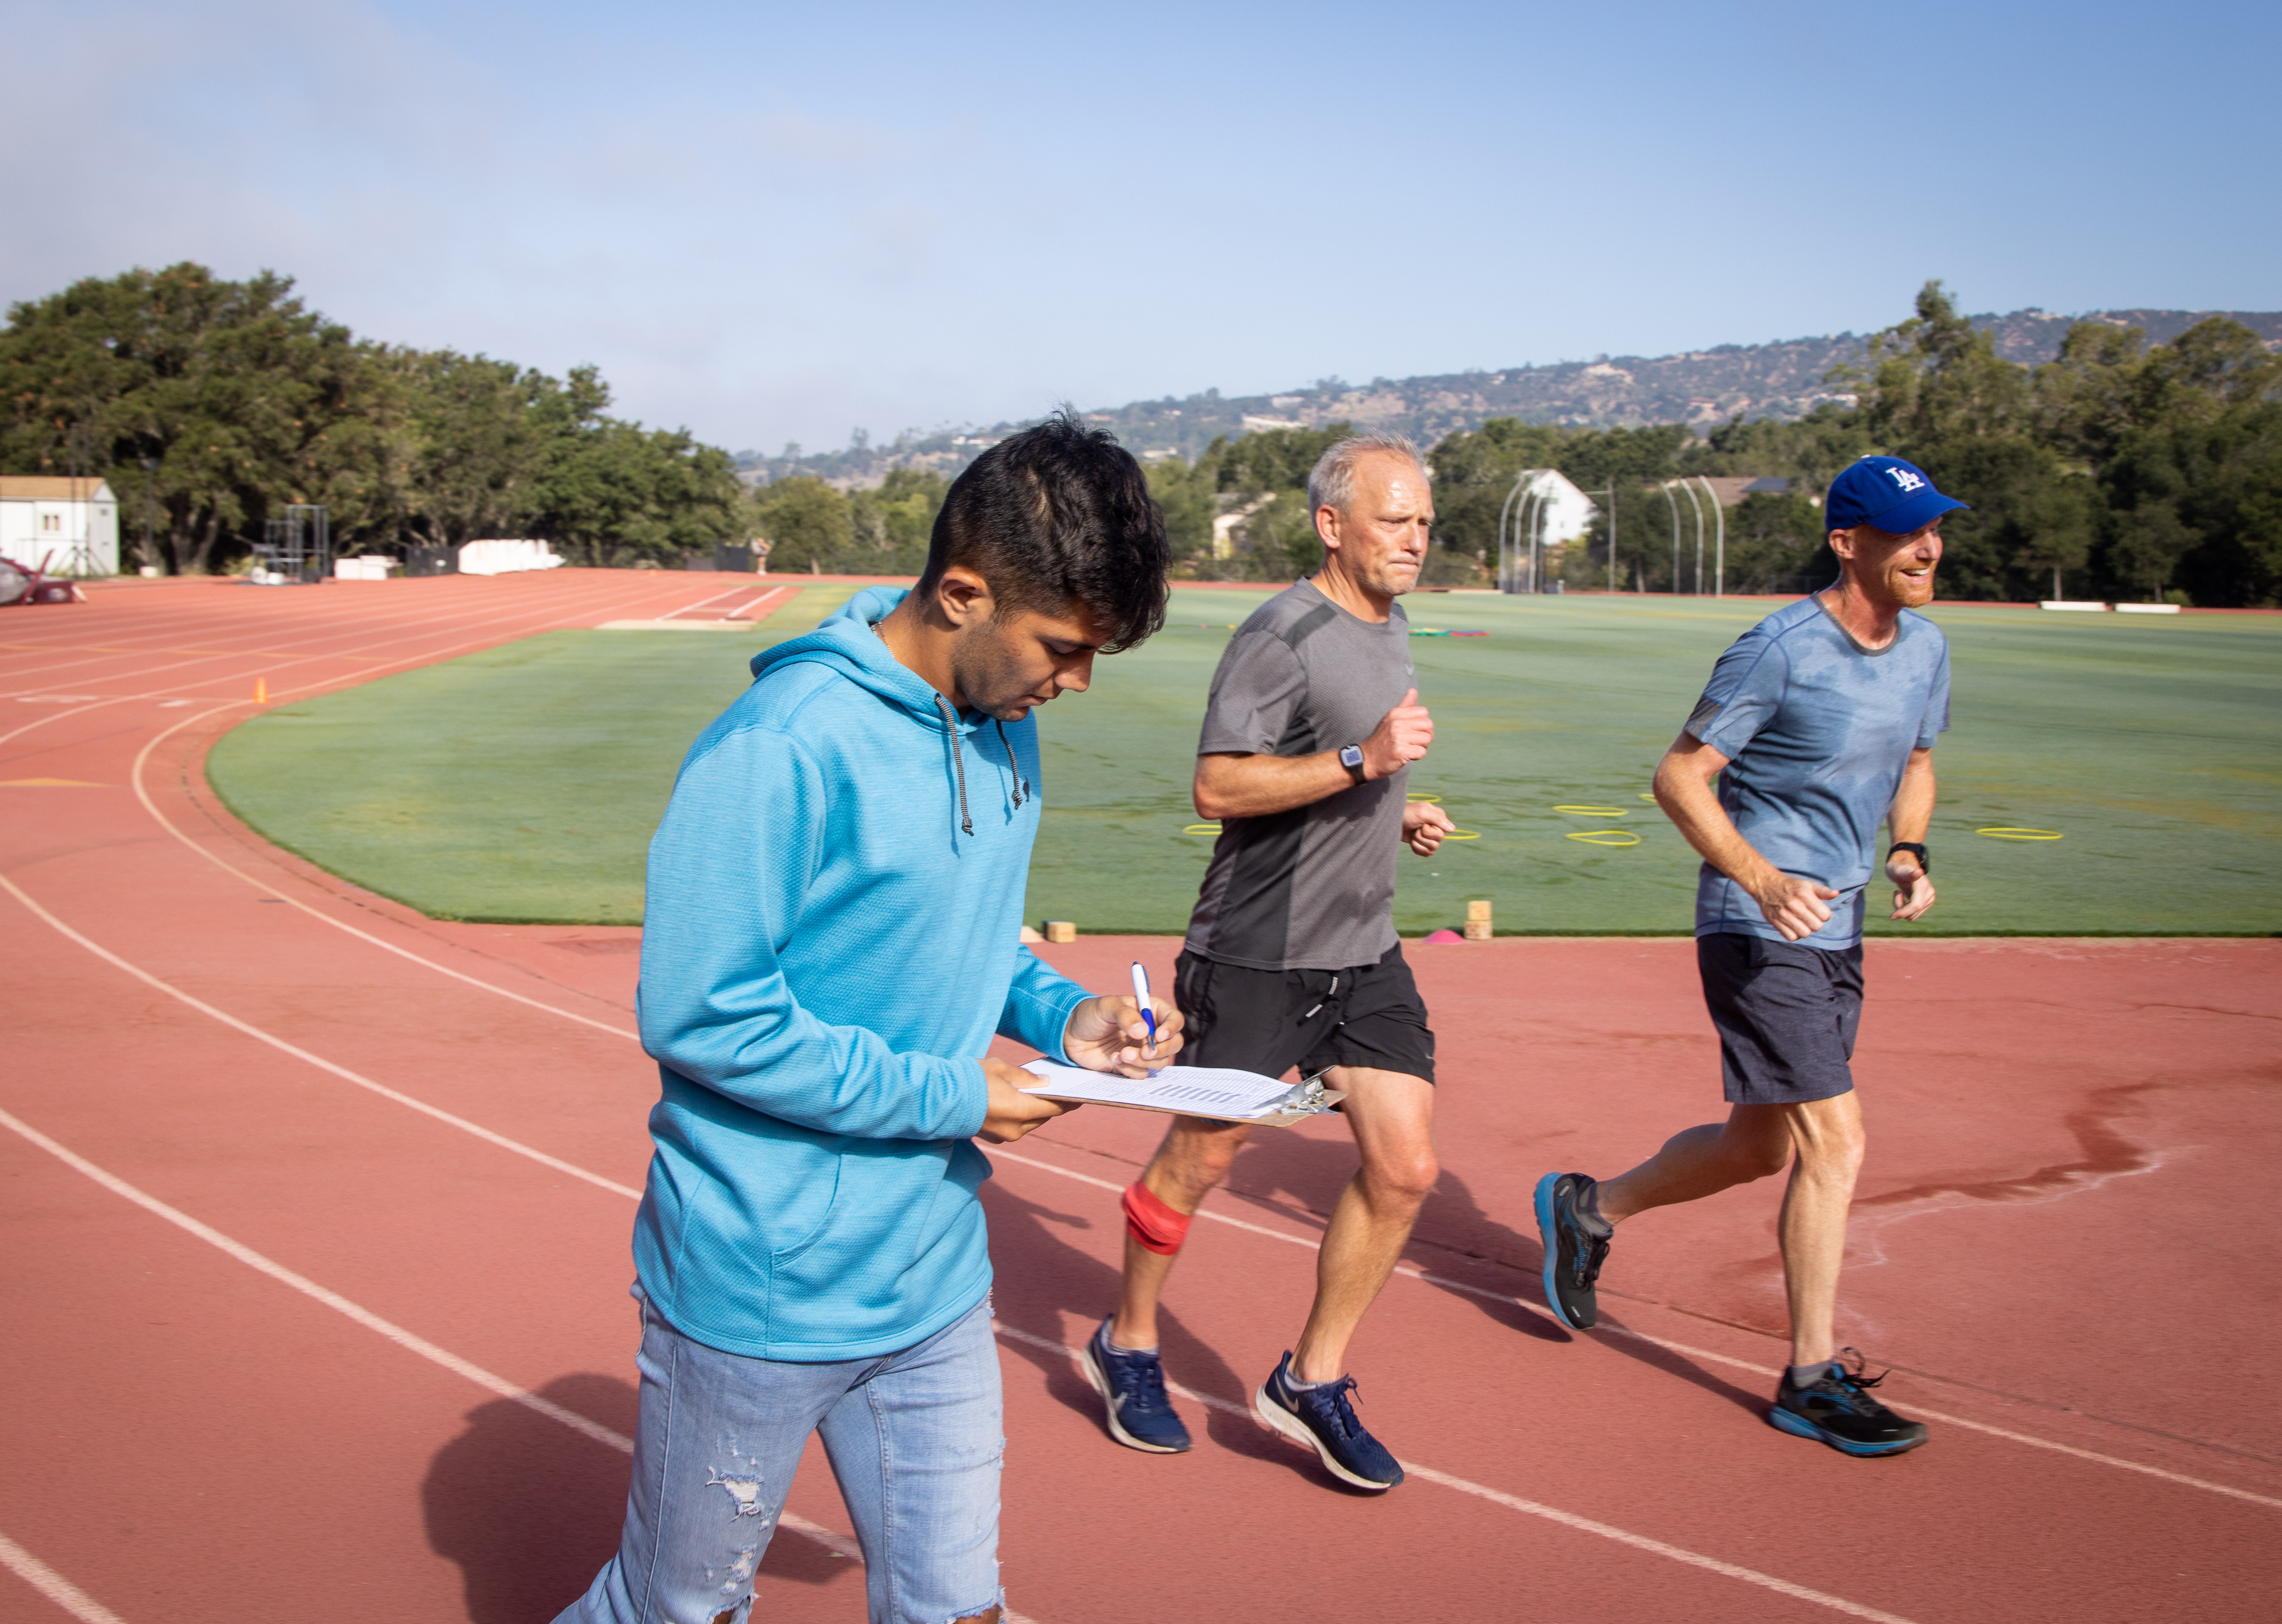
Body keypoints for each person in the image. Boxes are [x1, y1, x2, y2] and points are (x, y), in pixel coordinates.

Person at [555, 417, 1184, 1624]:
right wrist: (959, 1097)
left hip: (933, 1274)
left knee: (956, 1610)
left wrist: (1065, 1018)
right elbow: (706, 1017)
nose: (1077, 682)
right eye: (1062, 646)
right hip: (761, 1283)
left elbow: (964, 932)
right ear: (962, 592)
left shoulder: (1006, 727)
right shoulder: (781, 747)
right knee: (676, 1612)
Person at [1533, 453, 1959, 1458]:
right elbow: (1681, 777)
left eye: (1936, 528)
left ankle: (1591, 1209)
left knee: (1763, 1147)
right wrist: (1762, 877)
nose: (1930, 546)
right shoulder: (1780, 648)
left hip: (1841, 926)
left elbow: (1921, 765)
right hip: (1756, 926)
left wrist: (1907, 849)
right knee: (1838, 1143)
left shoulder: (1928, 648)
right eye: (1907, 532)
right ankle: (1809, 1380)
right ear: (1848, 543)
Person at [1079, 430, 1455, 1493]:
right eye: (1395, 519)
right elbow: (1220, 788)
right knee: (1199, 1163)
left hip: (1365, 951)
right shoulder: (1278, 633)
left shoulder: (1392, 622)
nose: (1415, 539)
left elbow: (1352, 775)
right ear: (1333, 525)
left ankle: (1310, 1378)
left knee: (1405, 1167)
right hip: (1259, 950)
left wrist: (1395, 806)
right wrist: (1361, 763)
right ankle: (1130, 1343)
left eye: (1425, 521)